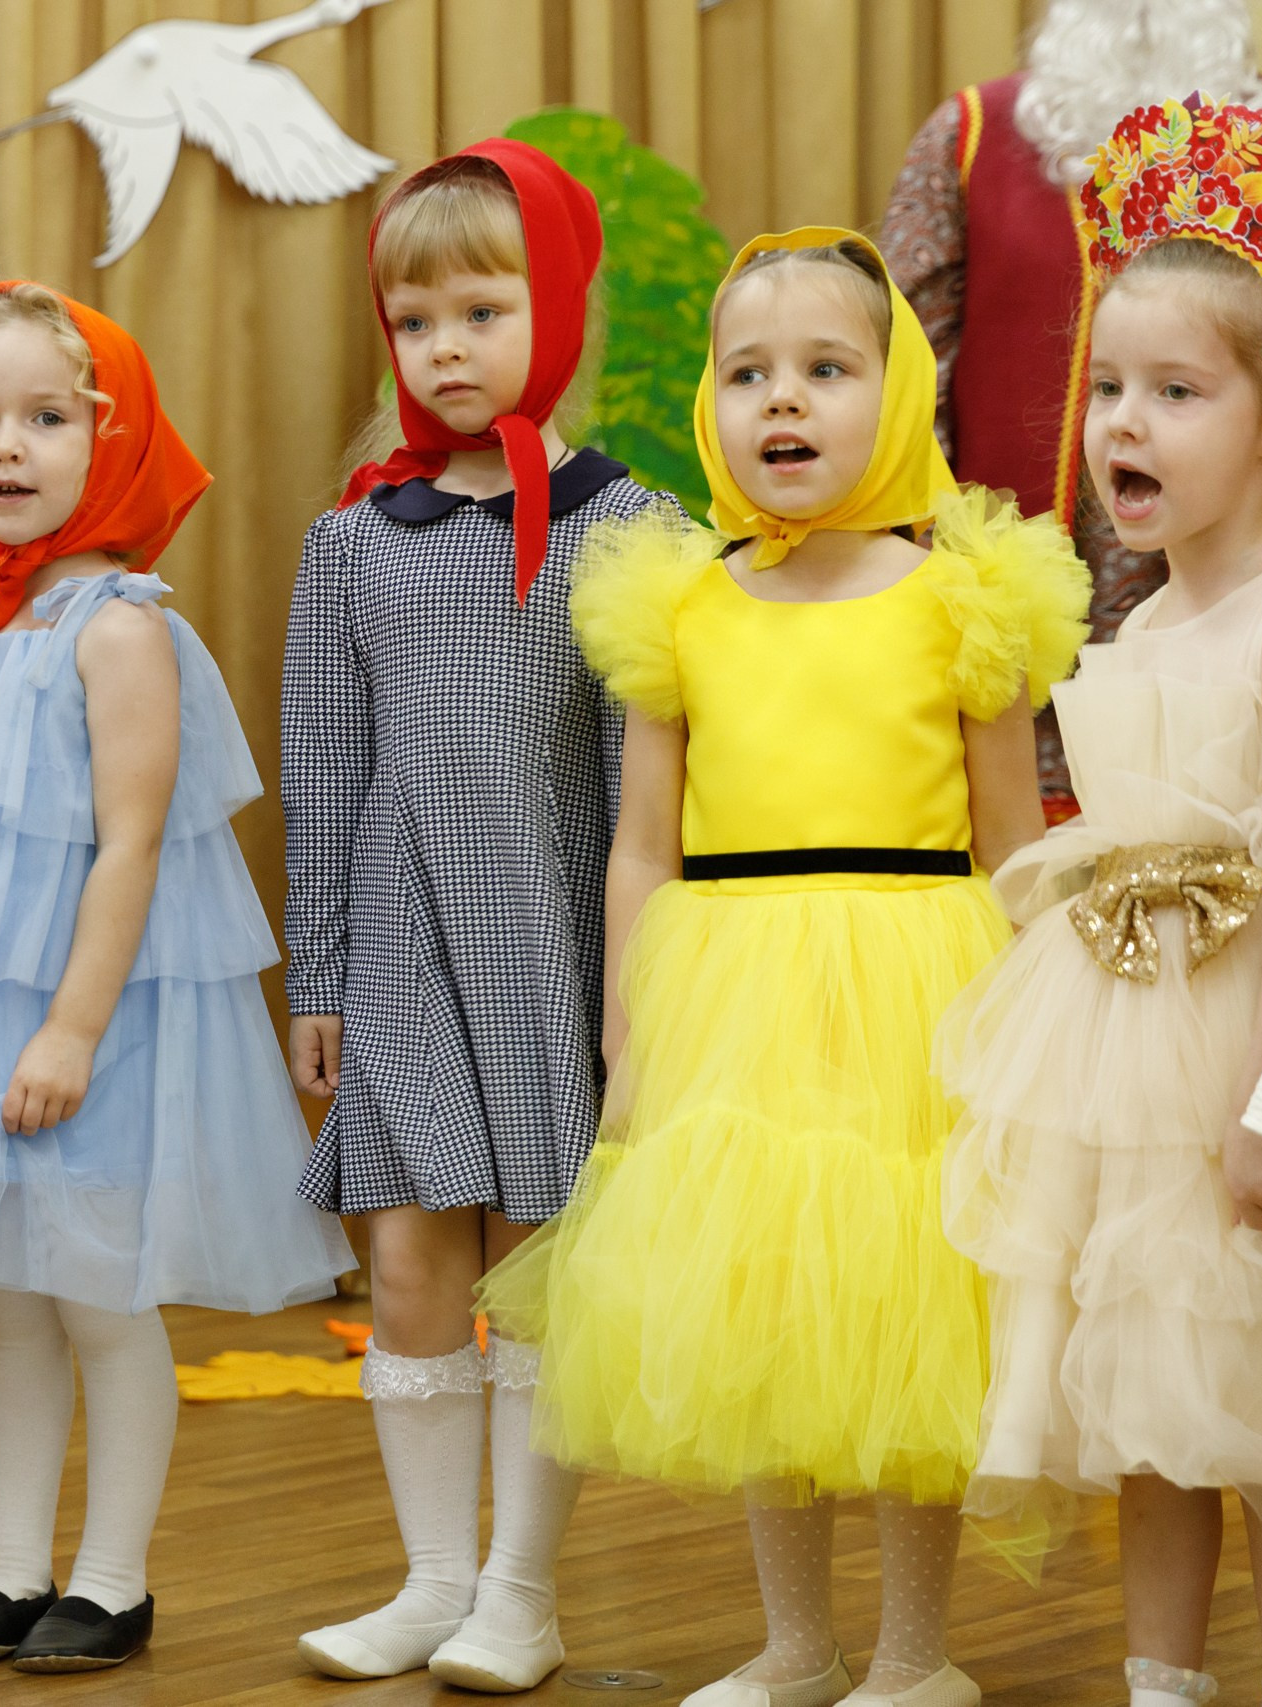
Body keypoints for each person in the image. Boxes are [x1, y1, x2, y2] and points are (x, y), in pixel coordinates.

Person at [478, 230, 1088, 1707]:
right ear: (711, 403)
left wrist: (1031, 1046)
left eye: (827, 368)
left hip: (917, 988)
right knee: (766, 1311)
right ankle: (799, 1643)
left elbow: (1017, 846)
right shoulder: (681, 599)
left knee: (906, 1314)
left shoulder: (967, 596)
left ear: (900, 392)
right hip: (731, 993)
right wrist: (628, 1024)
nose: (784, 400)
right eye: (748, 373)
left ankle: (915, 1652)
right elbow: (641, 846)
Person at [0, 281, 353, 1673]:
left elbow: (129, 847)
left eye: (47, 417)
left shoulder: (123, 628)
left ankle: (113, 1576)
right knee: (9, 1303)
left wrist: (69, 1026)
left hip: (92, 1018)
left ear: (109, 438)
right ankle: (9, 1569)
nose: (7, 445)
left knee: (104, 1298)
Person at [279, 140, 679, 1692]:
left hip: (549, 944)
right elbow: (326, 761)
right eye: (417, 320)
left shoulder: (630, 529)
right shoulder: (351, 538)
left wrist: (632, 989)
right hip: (394, 939)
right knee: (407, 1263)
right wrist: (318, 959)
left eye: (484, 310)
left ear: (555, 307)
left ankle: (524, 1586)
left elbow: (646, 798)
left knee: (532, 1266)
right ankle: (433, 1576)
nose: (448, 349)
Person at [939, 94, 1262, 1707]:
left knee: (1253, 1387)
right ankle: (1164, 1684)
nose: (1120, 423)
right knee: (1161, 1395)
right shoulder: (1132, 636)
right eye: (1112, 386)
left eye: (1179, 392)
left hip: (1244, 1064)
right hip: (1138, 1062)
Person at [878, 0, 1262, 812]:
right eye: (1108, 387)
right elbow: (903, 381)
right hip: (1008, 681)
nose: (1124, 414)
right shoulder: (967, 135)